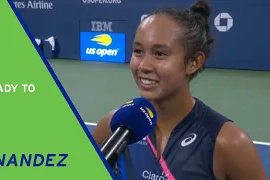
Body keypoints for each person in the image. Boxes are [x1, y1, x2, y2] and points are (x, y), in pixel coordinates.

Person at [92, 1, 268, 180]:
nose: (143, 65)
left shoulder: (228, 143)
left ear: (194, 62)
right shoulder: (112, 127)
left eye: (160, 54)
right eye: (138, 51)